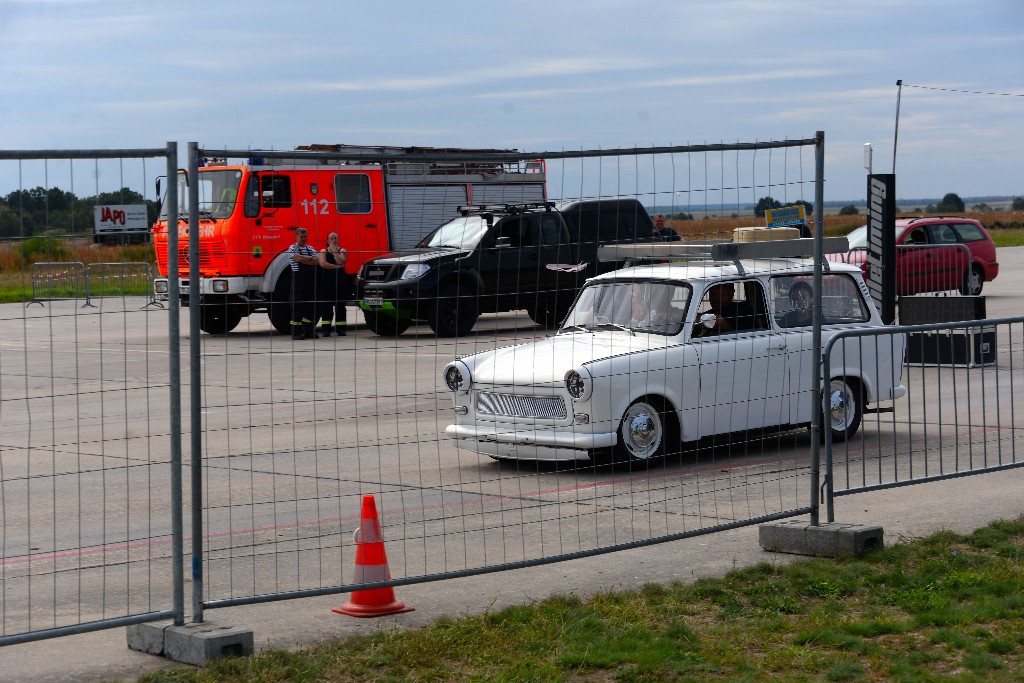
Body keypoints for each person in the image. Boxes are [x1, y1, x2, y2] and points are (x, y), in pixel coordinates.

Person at [287, 228, 320, 340]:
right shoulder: (292, 248)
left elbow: (317, 260)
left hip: (309, 281)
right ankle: (296, 333)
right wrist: (309, 259)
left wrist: (305, 259)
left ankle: (309, 332)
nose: (304, 239)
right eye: (301, 236)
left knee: (310, 305)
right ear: (296, 237)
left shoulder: (309, 248)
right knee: (297, 306)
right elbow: (298, 258)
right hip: (298, 280)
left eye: (305, 236)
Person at [317, 232, 351, 336]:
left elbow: (341, 262)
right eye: (331, 239)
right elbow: (323, 264)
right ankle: (326, 329)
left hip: (340, 282)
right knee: (326, 306)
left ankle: (341, 329)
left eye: (335, 238)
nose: (334, 241)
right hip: (327, 282)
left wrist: (335, 252)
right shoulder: (323, 251)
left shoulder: (342, 251)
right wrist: (336, 267)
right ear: (327, 241)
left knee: (340, 306)